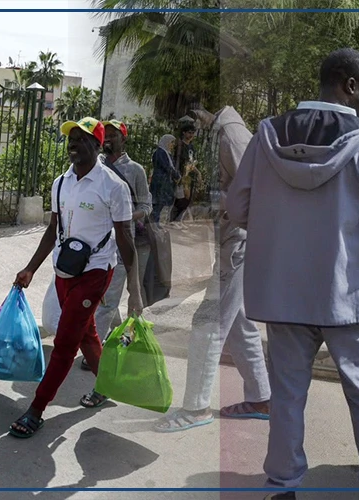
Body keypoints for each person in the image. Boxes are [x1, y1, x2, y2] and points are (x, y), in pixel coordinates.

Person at [226, 47, 359, 500]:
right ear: (349, 85)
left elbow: (237, 208)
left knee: (287, 396)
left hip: (283, 295)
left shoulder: (267, 135)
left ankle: (283, 485)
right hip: (349, 298)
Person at [8, 117, 144, 439]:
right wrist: (31, 268)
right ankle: (105, 385)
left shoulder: (114, 186)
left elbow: (126, 241)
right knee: (86, 335)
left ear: (97, 146)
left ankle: (36, 409)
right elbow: (52, 230)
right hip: (63, 270)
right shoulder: (61, 183)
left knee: (66, 343)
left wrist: (134, 293)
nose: (72, 143)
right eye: (70, 137)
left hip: (96, 272)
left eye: (81, 138)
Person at [153, 103, 271, 433]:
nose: (193, 121)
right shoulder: (226, 132)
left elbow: (259, 189)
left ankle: (195, 408)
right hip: (234, 242)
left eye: (194, 111)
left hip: (236, 244)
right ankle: (261, 397)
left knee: (207, 322)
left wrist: (232, 218)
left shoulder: (231, 134)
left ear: (207, 107)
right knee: (237, 323)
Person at [78, 120, 152, 371]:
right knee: (104, 298)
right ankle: (115, 337)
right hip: (96, 245)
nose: (108, 139)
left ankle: (94, 354)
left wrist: (125, 216)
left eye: (113, 135)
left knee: (113, 298)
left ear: (124, 139)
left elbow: (146, 206)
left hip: (124, 243)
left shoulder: (135, 171)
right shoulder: (94, 166)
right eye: (105, 135)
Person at [150, 134, 180, 223]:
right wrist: (176, 175)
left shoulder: (167, 153)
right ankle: (153, 223)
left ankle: (155, 222)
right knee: (157, 204)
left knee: (161, 204)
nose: (172, 145)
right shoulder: (160, 153)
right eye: (171, 142)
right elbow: (166, 167)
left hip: (165, 183)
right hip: (160, 183)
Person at [171, 122, 198, 223]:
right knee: (179, 200)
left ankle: (178, 221)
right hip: (180, 175)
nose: (191, 135)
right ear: (184, 133)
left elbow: (192, 162)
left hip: (188, 177)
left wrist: (197, 172)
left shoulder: (191, 147)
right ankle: (173, 221)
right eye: (189, 132)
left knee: (187, 200)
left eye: (193, 133)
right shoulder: (179, 145)